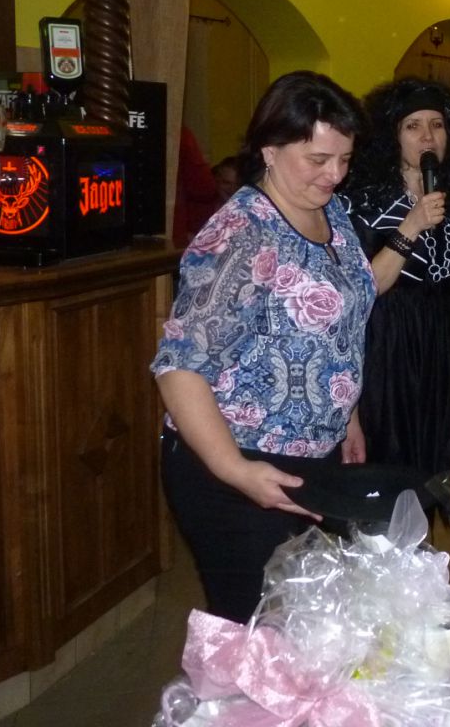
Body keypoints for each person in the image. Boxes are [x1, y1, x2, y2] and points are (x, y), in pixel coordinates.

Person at [151, 71, 377, 623]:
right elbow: (178, 365)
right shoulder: (241, 233)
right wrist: (235, 469)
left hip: (307, 459)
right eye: (318, 159)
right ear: (270, 151)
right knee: (251, 630)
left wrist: (346, 414)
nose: (335, 174)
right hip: (235, 467)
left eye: (344, 159)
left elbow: (339, 326)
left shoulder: (331, 211)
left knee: (299, 617)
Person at [340, 78, 450, 479]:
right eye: (413, 126)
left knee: (432, 457)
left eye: (437, 125)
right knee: (388, 457)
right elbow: (366, 287)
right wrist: (412, 224)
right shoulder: (363, 203)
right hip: (383, 345)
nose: (428, 136)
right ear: (393, 136)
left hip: (437, 346)